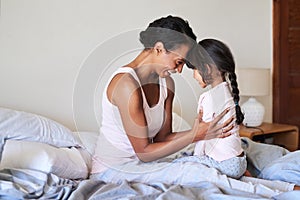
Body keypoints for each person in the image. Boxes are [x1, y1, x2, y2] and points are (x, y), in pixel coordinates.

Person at [91, 15, 299, 196]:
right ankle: (281, 193)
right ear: (159, 48)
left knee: (237, 154)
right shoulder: (125, 85)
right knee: (196, 172)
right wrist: (197, 135)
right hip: (116, 169)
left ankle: (287, 187)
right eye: (179, 61)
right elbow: (144, 152)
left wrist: (202, 131)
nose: (180, 70)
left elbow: (163, 138)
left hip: (146, 163)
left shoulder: (166, 83)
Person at [186, 38, 247, 179]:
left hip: (226, 165)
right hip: (240, 162)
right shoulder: (230, 93)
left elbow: (202, 139)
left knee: (179, 163)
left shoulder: (207, 98)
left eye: (194, 69)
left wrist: (197, 160)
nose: (193, 75)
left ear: (206, 68)